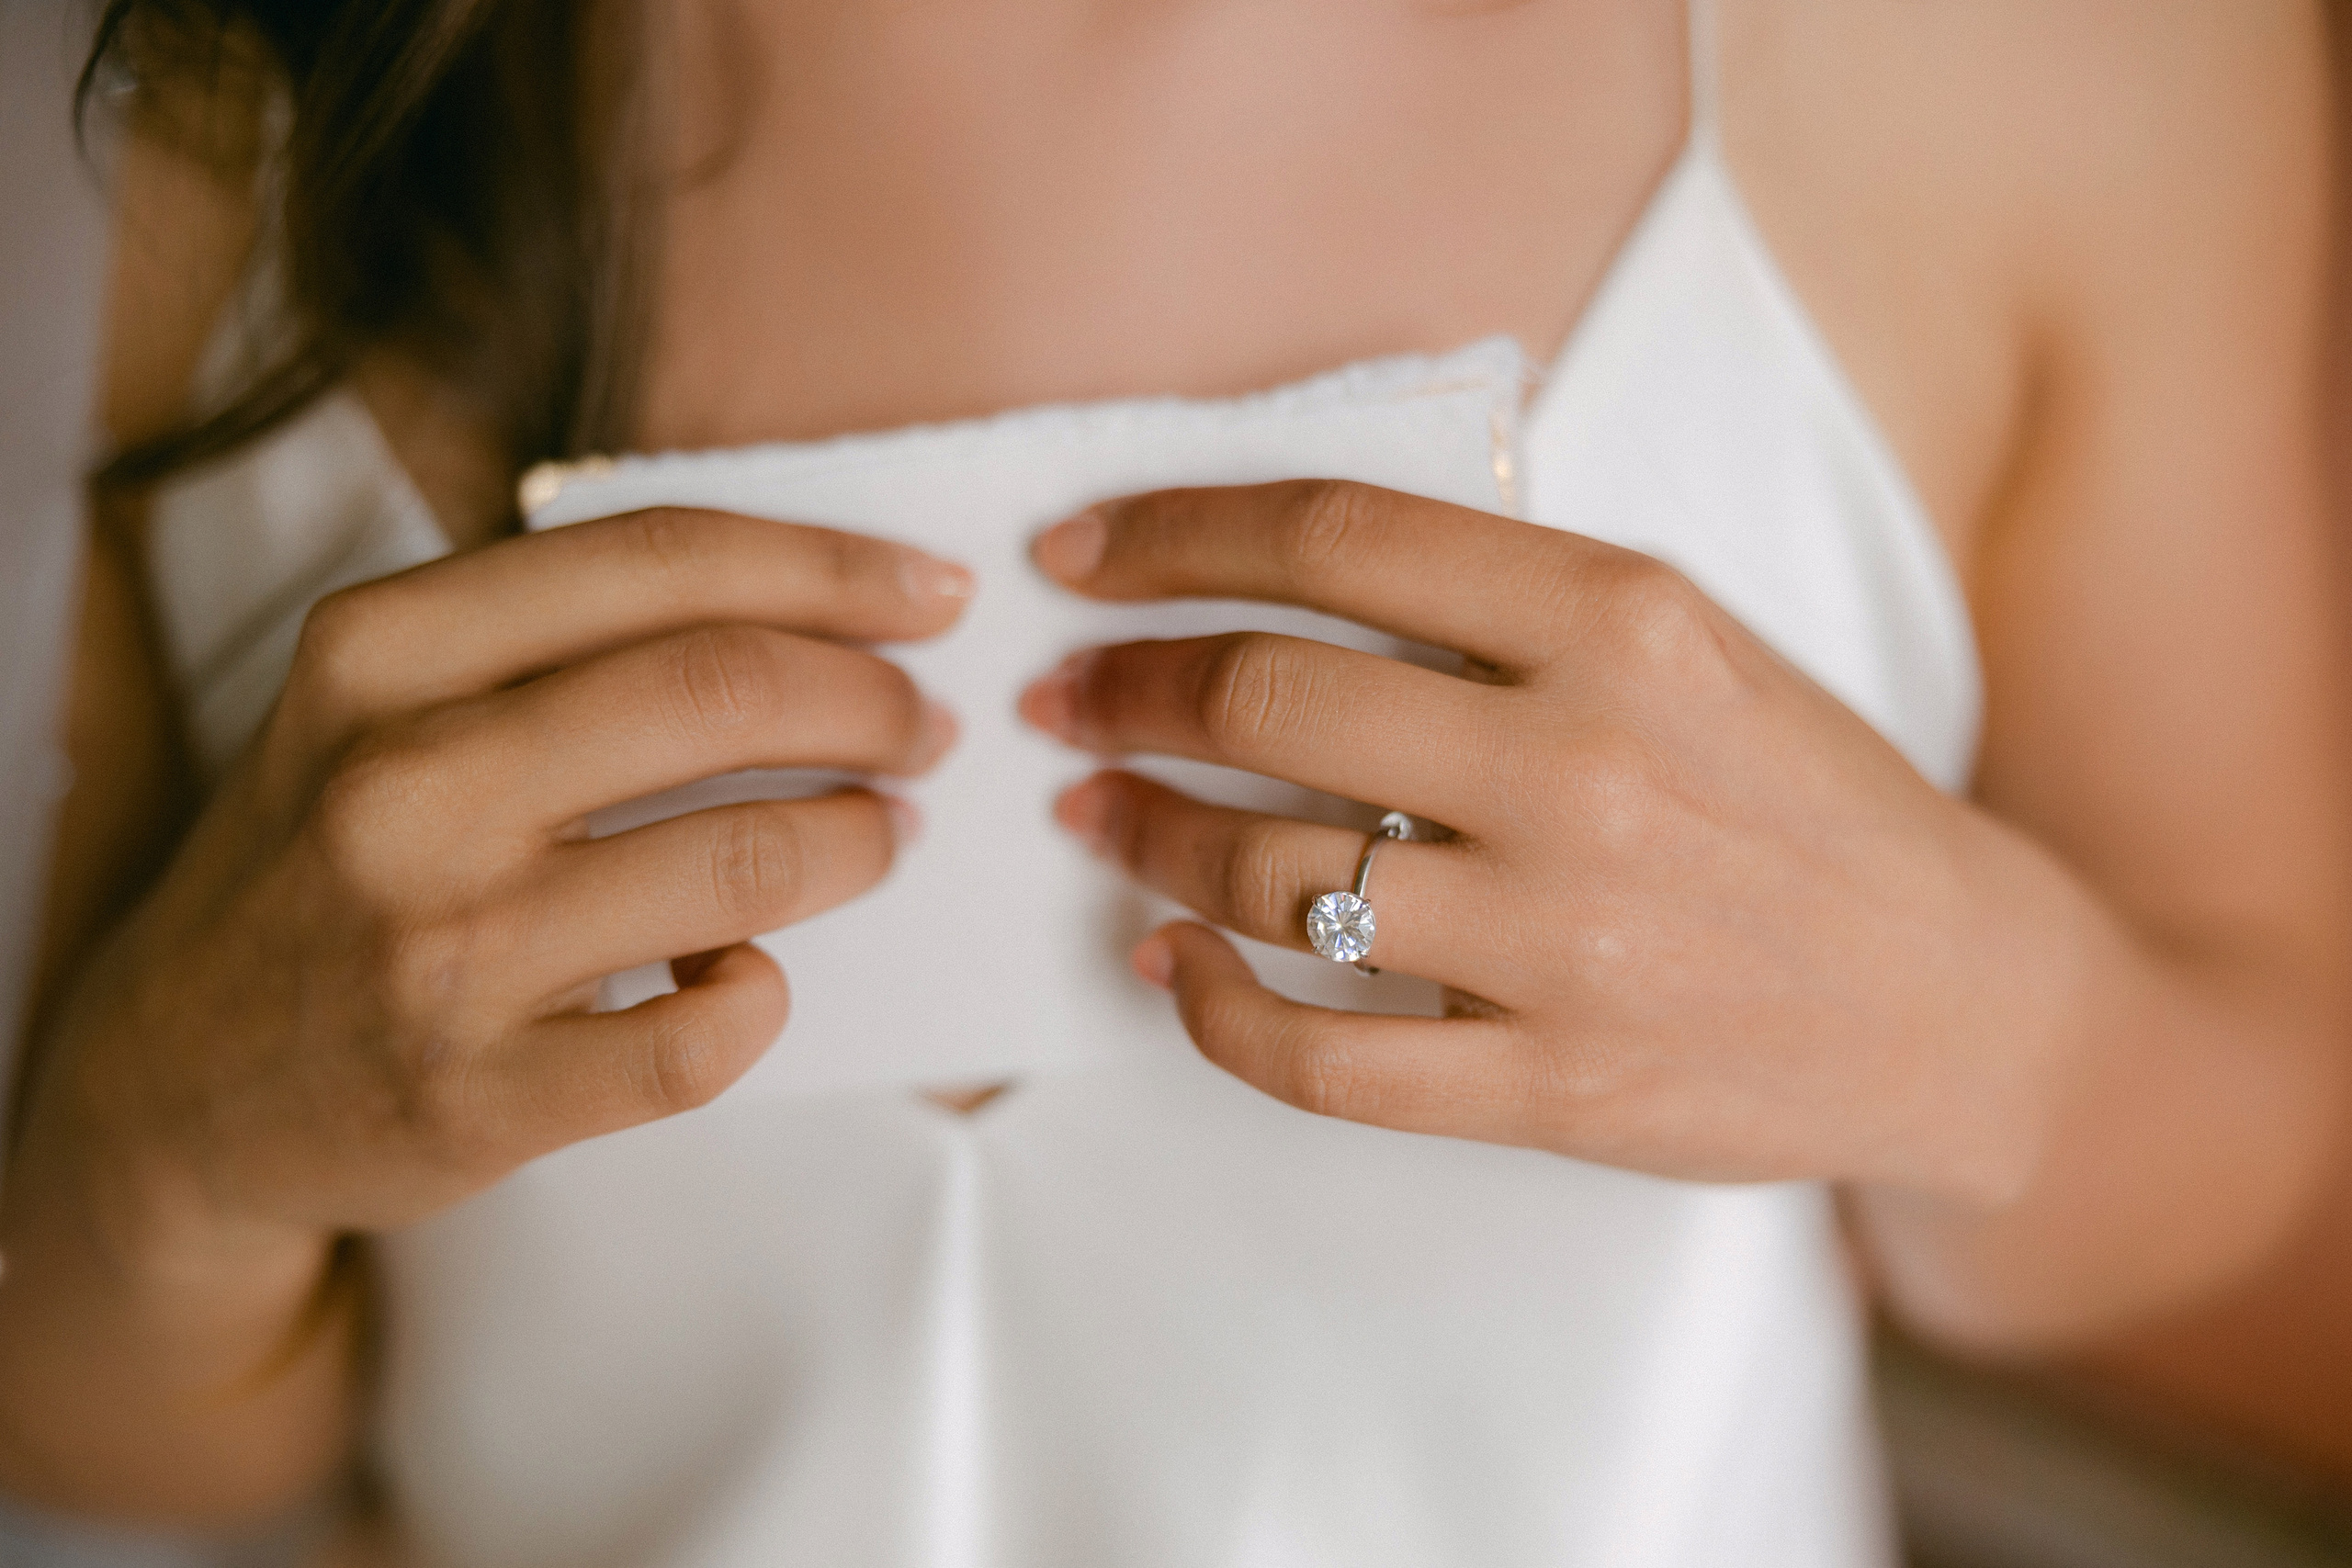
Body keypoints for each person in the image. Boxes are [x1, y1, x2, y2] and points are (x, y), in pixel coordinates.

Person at [2, 1, 2345, 1562]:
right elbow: (146, 1435)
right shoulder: (206, 126)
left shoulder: (2049, 64)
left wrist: (1961, 1026)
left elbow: (2268, 1115)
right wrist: (159, 1139)